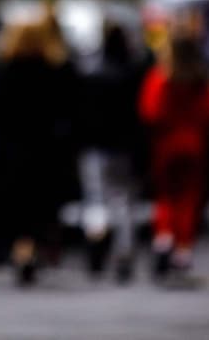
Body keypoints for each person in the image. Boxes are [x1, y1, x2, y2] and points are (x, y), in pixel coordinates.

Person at [0, 15, 78, 286]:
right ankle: (33, 250)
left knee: (17, 207)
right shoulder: (56, 71)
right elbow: (69, 112)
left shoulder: (2, 71)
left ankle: (22, 251)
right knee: (41, 206)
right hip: (45, 153)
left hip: (11, 152)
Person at [138, 31, 209, 283]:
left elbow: (149, 111)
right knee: (188, 198)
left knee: (165, 196)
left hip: (165, 146)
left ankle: (164, 238)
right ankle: (183, 250)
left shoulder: (161, 78)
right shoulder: (201, 80)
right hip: (194, 146)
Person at [77, 23, 144, 283]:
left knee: (96, 198)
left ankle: (96, 240)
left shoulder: (92, 74)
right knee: (123, 200)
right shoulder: (132, 75)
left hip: (95, 146)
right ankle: (124, 253)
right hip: (122, 147)